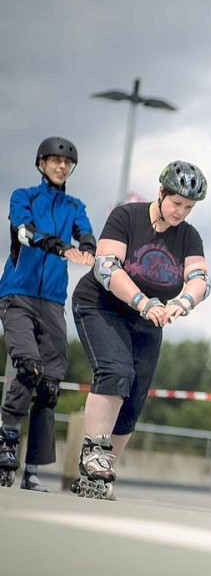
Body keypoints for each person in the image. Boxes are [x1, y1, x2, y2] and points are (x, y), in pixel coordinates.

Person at [70, 160, 211, 499]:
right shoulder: (126, 217)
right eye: (176, 203)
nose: (181, 212)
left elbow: (200, 279)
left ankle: (102, 470)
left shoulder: (189, 236)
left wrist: (182, 303)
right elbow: (106, 268)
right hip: (101, 305)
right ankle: (94, 453)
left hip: (149, 318)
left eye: (188, 207)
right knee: (115, 371)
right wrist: (143, 301)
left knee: (134, 396)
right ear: (161, 192)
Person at [0, 137, 95, 491]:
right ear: (41, 163)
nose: (61, 166)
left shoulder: (74, 205)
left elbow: (85, 233)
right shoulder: (24, 197)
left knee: (50, 383)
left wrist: (86, 247)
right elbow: (24, 232)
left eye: (66, 163)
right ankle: (7, 439)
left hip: (53, 301)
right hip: (17, 295)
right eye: (54, 161)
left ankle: (33, 470)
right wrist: (59, 247)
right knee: (29, 366)